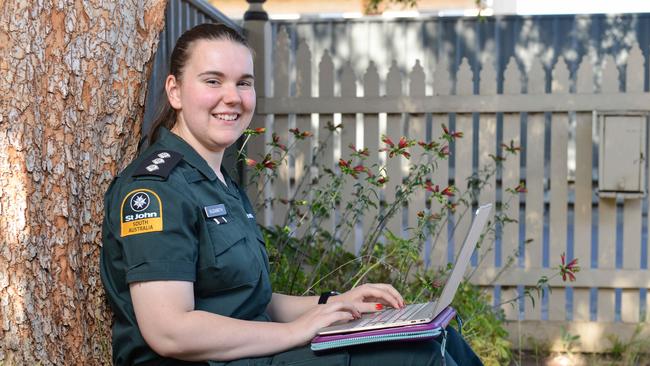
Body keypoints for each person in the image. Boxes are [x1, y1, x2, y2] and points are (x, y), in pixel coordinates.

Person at [100, 23, 483, 366]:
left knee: (440, 335)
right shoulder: (156, 189)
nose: (232, 97)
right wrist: (295, 332)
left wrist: (335, 304)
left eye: (243, 82)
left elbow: (254, 300)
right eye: (213, 81)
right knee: (417, 356)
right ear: (175, 91)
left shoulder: (218, 181)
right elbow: (170, 331)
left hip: (255, 353)